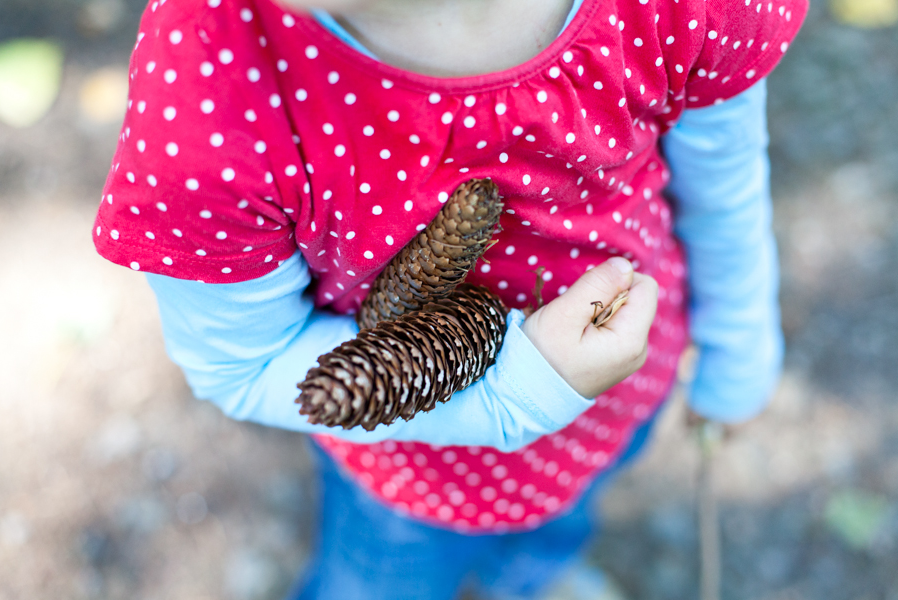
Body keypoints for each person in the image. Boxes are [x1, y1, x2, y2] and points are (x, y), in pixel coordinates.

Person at [92, 0, 808, 597]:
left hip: (617, 402)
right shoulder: (214, 79)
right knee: (378, 581)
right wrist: (518, 396)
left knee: (560, 524)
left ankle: (527, 577)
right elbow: (242, 362)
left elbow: (723, 180)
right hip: (407, 467)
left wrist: (739, 344)